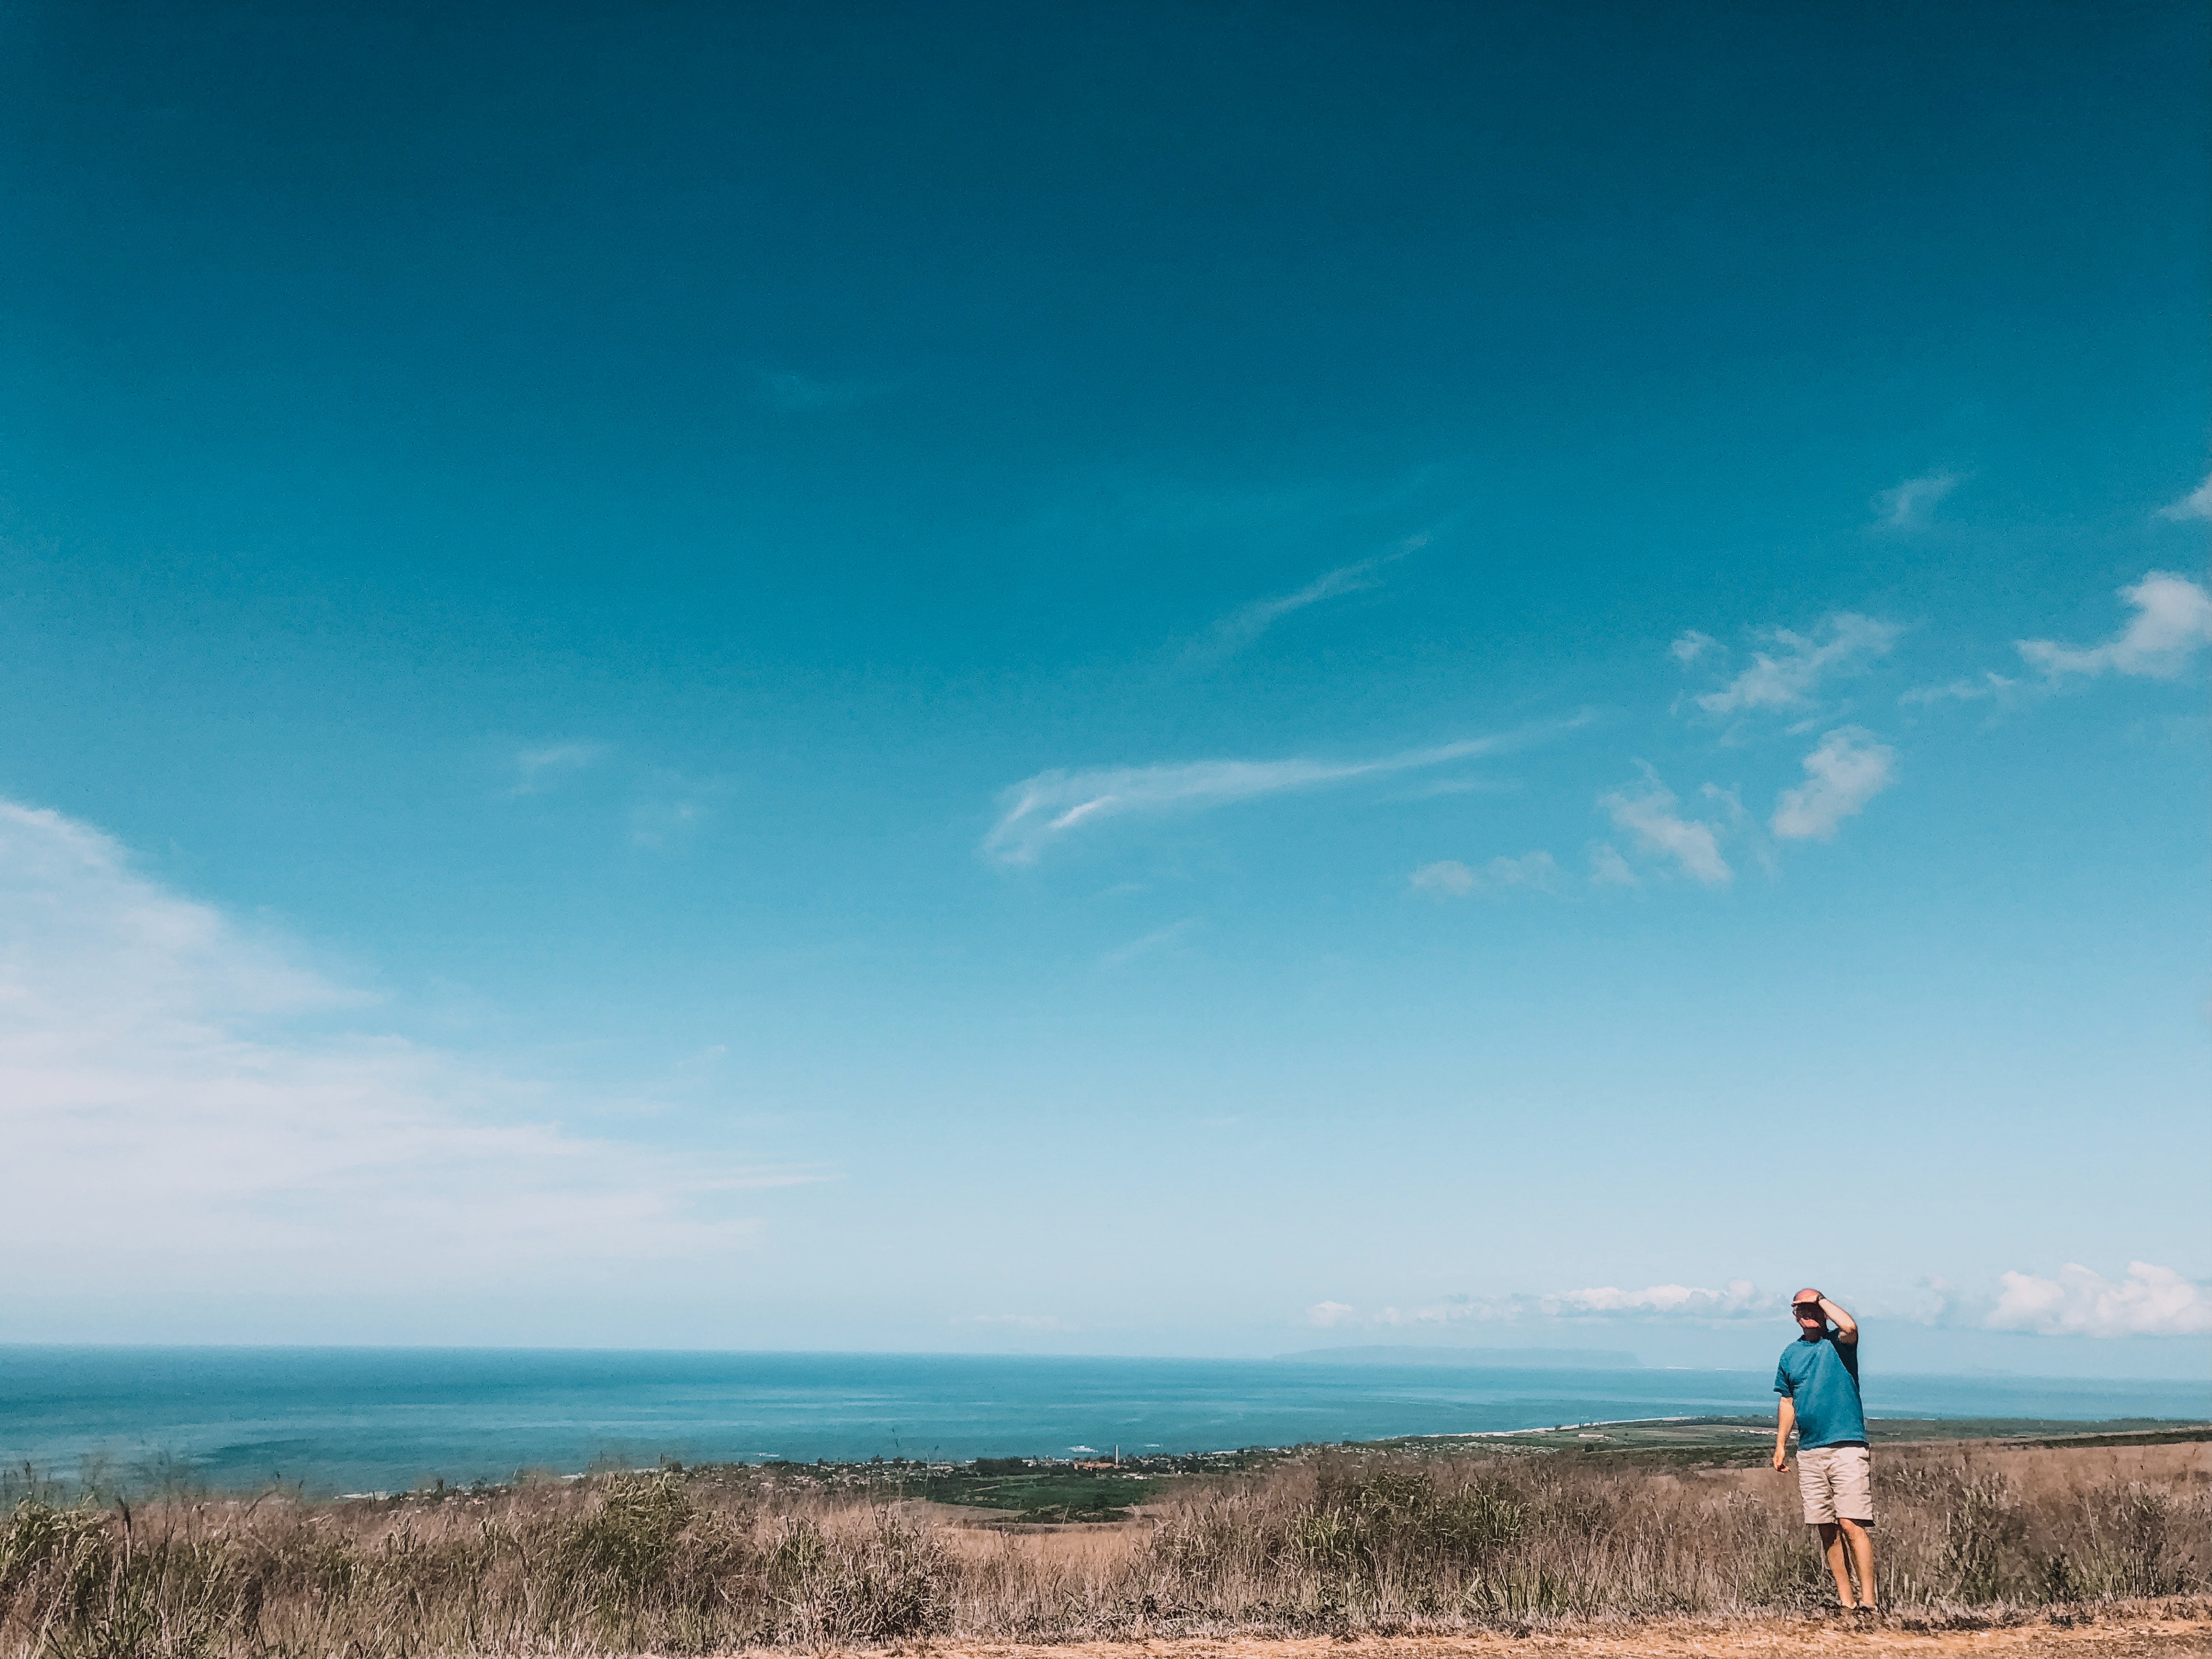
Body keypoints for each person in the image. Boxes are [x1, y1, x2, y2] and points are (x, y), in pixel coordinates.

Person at [1772, 1288, 1876, 1612]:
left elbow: (1851, 1327)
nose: (1808, 1313)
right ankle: (1846, 1603)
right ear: (1794, 1316)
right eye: (1801, 1309)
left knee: (1851, 1522)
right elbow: (1787, 1400)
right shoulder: (1790, 1354)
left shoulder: (1839, 1344)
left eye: (1813, 1308)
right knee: (1826, 1527)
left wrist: (1821, 1299)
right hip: (1810, 1450)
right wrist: (1780, 1445)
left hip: (1847, 1446)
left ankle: (1869, 1602)